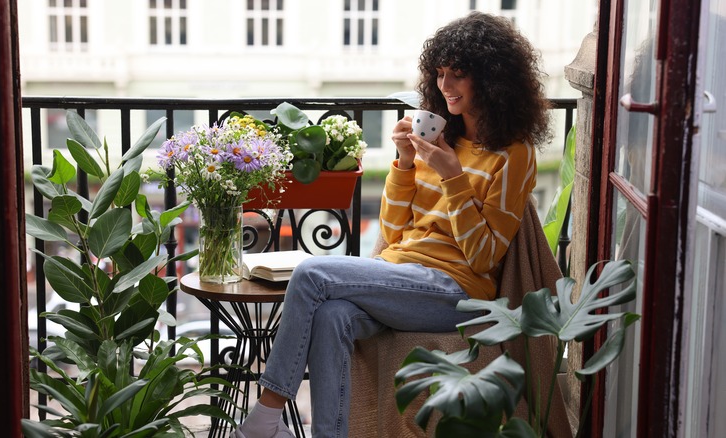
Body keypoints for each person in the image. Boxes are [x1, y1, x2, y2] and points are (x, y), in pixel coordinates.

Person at [229, 11, 552, 438]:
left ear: (492, 80)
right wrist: (404, 162)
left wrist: (453, 176)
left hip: (456, 290)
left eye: (458, 75)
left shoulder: (513, 154)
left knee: (311, 272)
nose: (445, 86)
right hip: (403, 275)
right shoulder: (440, 138)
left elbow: (482, 258)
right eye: (439, 74)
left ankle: (264, 420)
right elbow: (395, 234)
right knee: (332, 315)